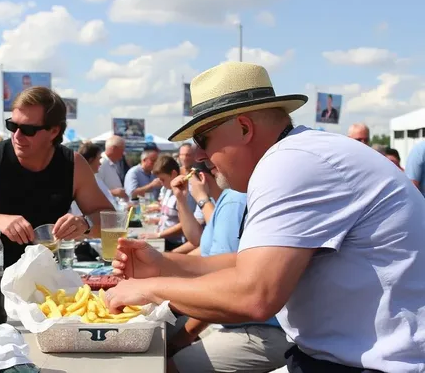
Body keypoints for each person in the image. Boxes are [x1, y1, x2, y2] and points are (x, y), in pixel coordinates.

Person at [105, 62, 425, 372]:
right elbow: (250, 263)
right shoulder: (301, 153)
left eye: (202, 140)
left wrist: (150, 289)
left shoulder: (289, 162)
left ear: (244, 127)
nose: (199, 157)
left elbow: (255, 295)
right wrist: (165, 265)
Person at [0, 86, 114, 268]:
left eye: (28, 129)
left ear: (54, 131)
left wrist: (84, 223)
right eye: (12, 126)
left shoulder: (73, 164)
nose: (17, 136)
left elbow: (109, 219)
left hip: (46, 277)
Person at [168, 158, 291, 372]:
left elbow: (223, 285)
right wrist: (182, 199)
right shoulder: (224, 200)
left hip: (262, 330)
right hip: (244, 322)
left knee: (165, 364)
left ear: (201, 177)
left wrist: (180, 340)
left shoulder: (233, 200)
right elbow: (199, 241)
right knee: (160, 331)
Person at [139, 155, 194, 251]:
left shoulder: (185, 194)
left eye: (162, 179)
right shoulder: (167, 190)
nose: (160, 182)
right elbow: (168, 217)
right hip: (165, 240)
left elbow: (184, 224)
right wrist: (156, 220)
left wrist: (158, 235)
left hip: (176, 244)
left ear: (173, 174)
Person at [70, 142, 116, 215]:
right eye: (98, 159)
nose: (100, 163)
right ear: (91, 159)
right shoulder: (81, 182)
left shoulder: (96, 180)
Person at [98, 135, 128, 200]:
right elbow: (95, 190)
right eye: (122, 149)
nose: (123, 153)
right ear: (114, 148)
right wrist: (114, 192)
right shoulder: (101, 163)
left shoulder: (113, 163)